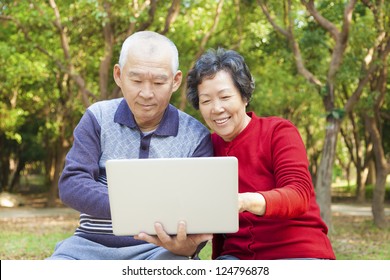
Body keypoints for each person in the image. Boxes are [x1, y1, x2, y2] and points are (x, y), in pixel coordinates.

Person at [47, 31, 213, 260]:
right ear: (118, 75)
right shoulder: (98, 117)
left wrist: (190, 248)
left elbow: (200, 210)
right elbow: (72, 183)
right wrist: (134, 206)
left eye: (158, 82)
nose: (146, 93)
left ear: (175, 81)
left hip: (159, 252)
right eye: (136, 80)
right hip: (88, 246)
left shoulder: (197, 137)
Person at [186, 48, 336, 260]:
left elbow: (299, 193)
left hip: (297, 253)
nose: (216, 108)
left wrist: (245, 201)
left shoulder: (278, 131)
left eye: (225, 96)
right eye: (206, 101)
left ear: (244, 96)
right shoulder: (206, 148)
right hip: (236, 258)